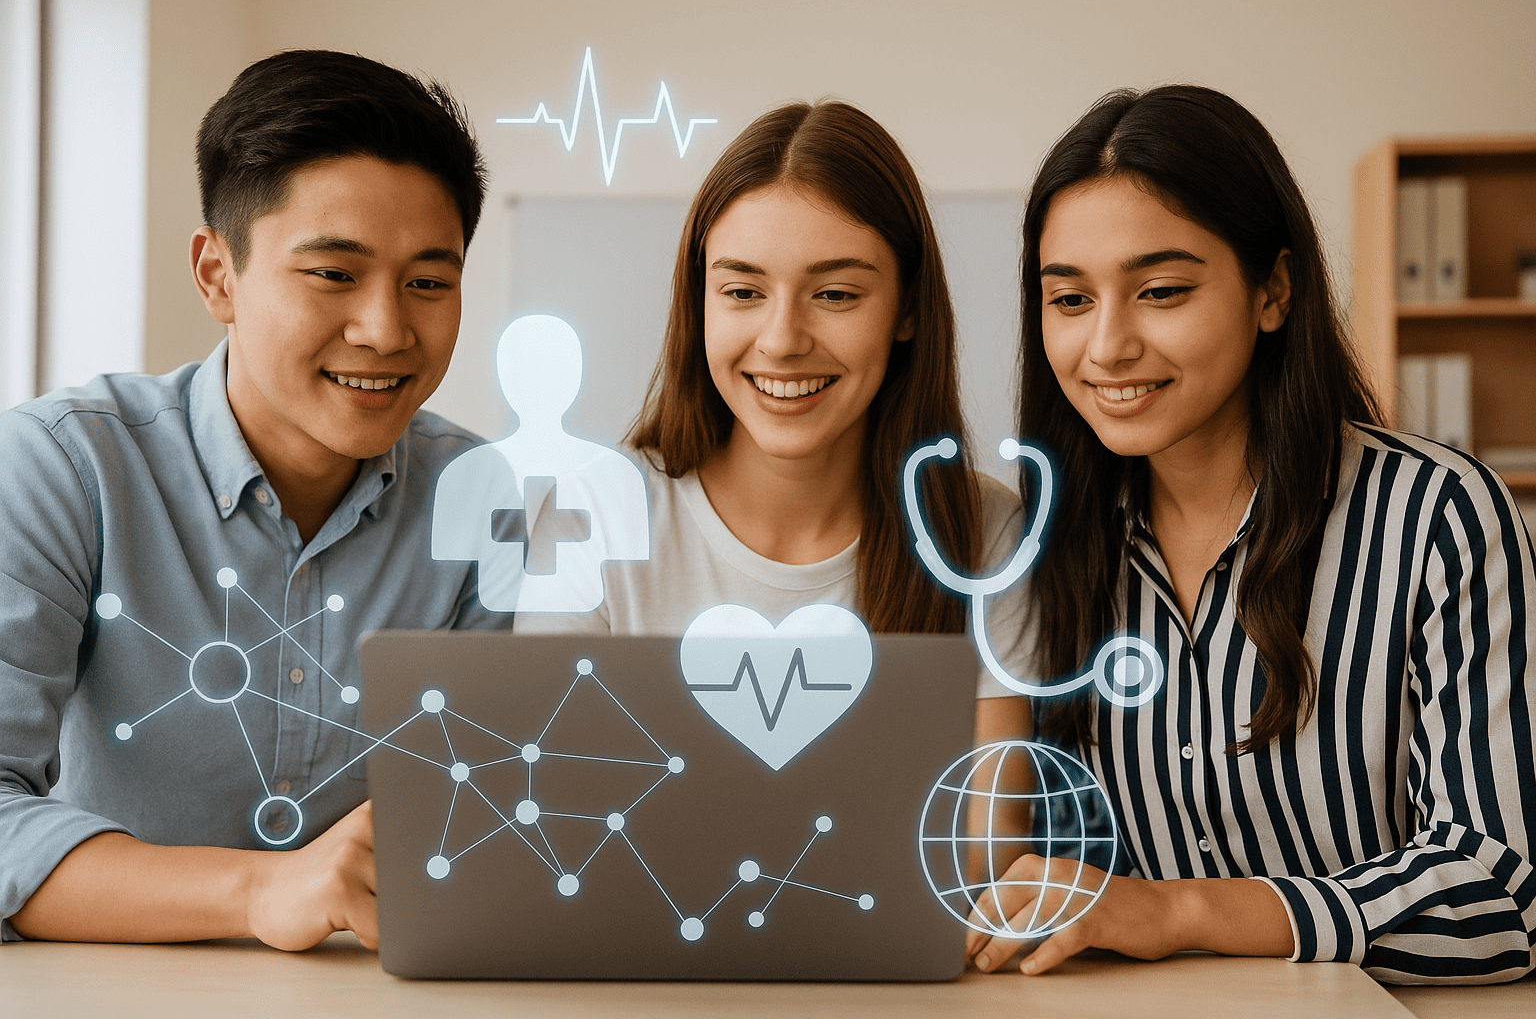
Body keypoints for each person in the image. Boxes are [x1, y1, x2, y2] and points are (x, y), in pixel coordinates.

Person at [964, 85, 1535, 984]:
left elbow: (1503, 895)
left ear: (1273, 290)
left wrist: (1181, 908)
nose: (1106, 346)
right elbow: (1018, 870)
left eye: (1160, 290)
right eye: (1069, 300)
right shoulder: (1042, 548)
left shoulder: (1437, 518)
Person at [0, 50, 509, 950]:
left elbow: (479, 820)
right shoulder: (62, 467)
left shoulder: (483, 503)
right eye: (333, 274)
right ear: (217, 276)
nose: (388, 329)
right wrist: (259, 892)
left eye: (429, 282)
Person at [513, 100, 1030, 751]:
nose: (782, 340)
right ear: (698, 303)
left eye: (836, 294)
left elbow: (987, 844)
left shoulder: (985, 536)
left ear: (908, 310)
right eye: (743, 292)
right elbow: (552, 804)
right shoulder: (592, 516)